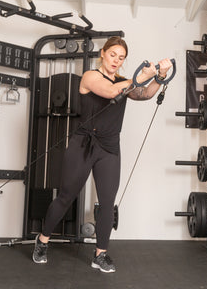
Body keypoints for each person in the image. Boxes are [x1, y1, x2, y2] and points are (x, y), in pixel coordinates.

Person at [32, 36, 172, 273]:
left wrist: (159, 77)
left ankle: (100, 254)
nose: (116, 60)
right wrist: (141, 76)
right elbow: (109, 92)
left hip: (109, 148)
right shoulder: (90, 76)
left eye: (121, 57)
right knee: (66, 197)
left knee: (107, 203)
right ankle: (43, 240)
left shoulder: (124, 81)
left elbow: (144, 94)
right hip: (83, 145)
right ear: (103, 54)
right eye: (113, 55)